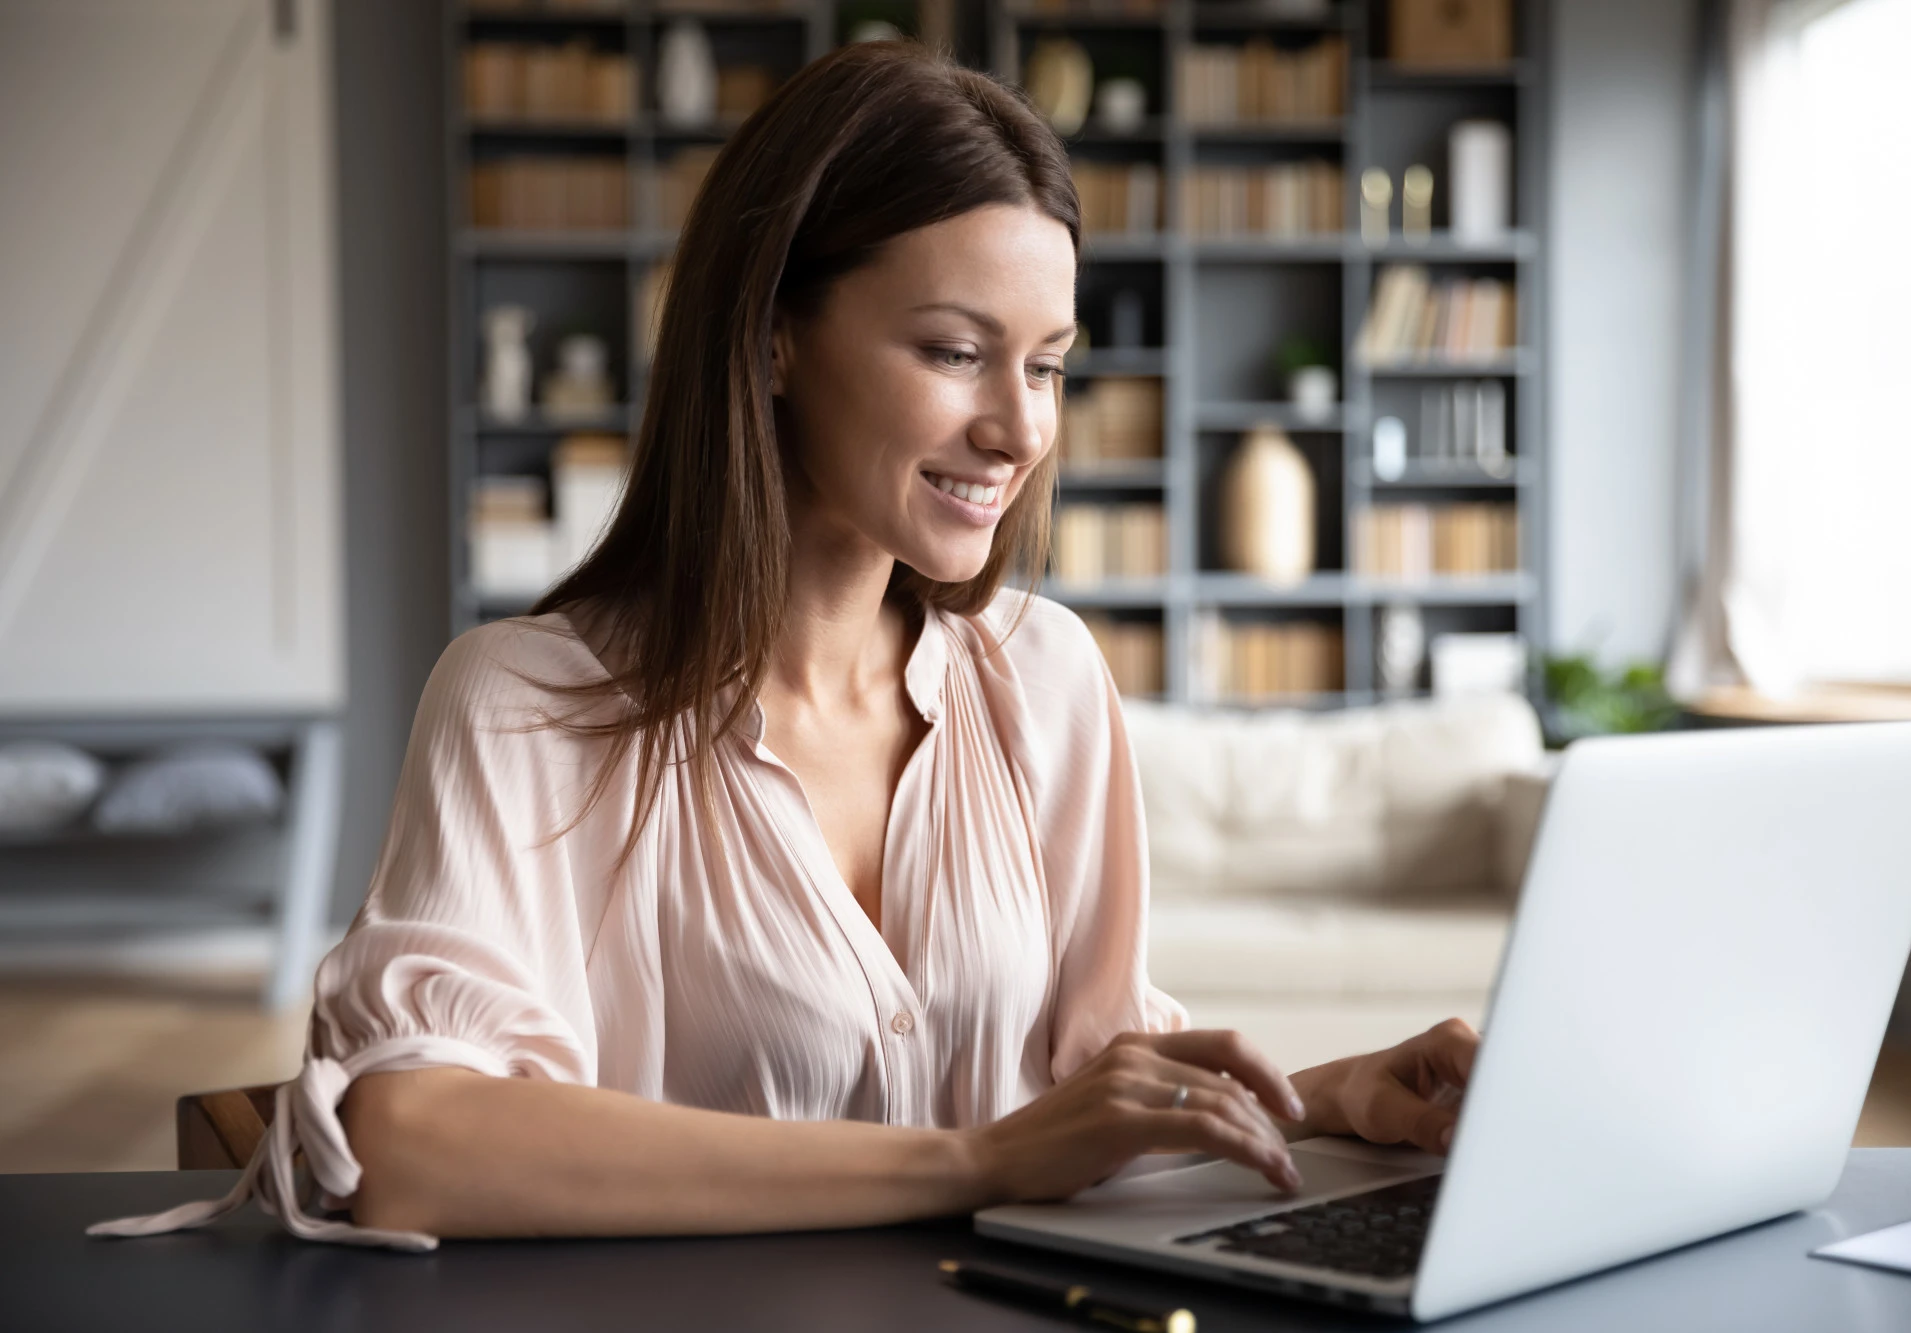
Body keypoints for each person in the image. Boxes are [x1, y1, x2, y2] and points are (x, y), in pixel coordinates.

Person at [91, 39, 1477, 1253]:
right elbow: (407, 1145)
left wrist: (1345, 1092)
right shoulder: (523, 706)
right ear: (770, 341)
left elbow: (1085, 1092)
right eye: (954, 351)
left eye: (1047, 363)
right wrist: (967, 1162)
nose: (1021, 427)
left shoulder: (1044, 682)